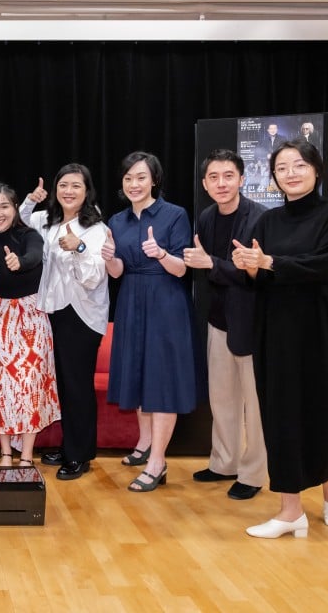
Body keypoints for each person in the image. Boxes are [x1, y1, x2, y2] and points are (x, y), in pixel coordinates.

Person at [232, 139, 328, 539]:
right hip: (275, 333)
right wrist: (249, 267)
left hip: (317, 332)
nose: (291, 173)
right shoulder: (267, 222)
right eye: (282, 168)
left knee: (318, 413)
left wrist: (268, 262)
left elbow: (322, 266)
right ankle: (290, 511)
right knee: (280, 418)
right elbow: (261, 279)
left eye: (299, 165)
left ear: (316, 169)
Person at [102, 151, 206, 492]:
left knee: (160, 380)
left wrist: (160, 253)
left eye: (141, 177)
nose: (134, 184)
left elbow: (181, 269)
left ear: (155, 180)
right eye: (129, 178)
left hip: (165, 301)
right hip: (131, 298)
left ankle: (158, 462)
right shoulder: (117, 221)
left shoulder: (174, 214)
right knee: (137, 373)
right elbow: (118, 272)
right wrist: (108, 260)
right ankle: (145, 442)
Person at [183, 150, 268, 500]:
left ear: (242, 179)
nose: (221, 183)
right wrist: (208, 265)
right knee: (222, 398)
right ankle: (223, 462)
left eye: (228, 176)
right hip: (217, 319)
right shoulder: (205, 216)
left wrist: (211, 264)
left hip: (252, 322)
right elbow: (209, 273)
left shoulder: (259, 218)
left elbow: (255, 274)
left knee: (255, 403)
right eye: (214, 177)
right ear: (205, 184)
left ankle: (253, 473)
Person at [20, 165, 110, 481]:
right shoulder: (49, 221)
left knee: (77, 385)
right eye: (63, 185)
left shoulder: (96, 229)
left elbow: (93, 277)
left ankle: (80, 454)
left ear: (87, 192)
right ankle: (69, 444)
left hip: (82, 314)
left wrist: (79, 248)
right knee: (64, 384)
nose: (68, 191)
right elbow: (21, 220)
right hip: (56, 310)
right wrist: (31, 200)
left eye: (76, 186)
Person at [0, 183, 60, 469]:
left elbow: (35, 255)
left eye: (4, 206)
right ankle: (5, 453)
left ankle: (26, 455)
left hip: (31, 315)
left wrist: (20, 262)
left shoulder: (29, 235)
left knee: (31, 385)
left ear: (15, 209)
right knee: (2, 385)